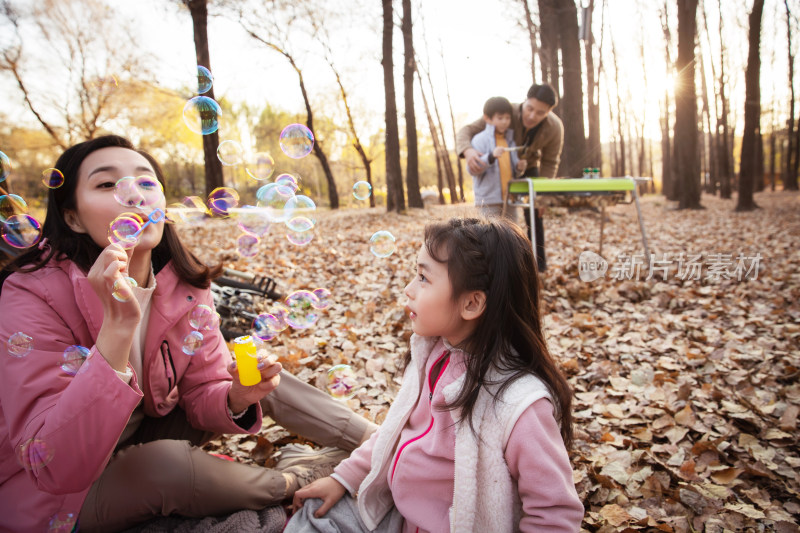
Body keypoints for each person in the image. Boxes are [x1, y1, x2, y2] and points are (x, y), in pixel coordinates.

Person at [0, 135, 377, 533]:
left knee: (253, 374)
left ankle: (383, 442)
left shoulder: (184, 285)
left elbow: (202, 389)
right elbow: (53, 464)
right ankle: (295, 480)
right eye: (107, 184)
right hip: (53, 492)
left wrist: (233, 398)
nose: (134, 196)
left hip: (140, 430)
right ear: (73, 217)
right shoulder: (31, 295)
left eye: (146, 183)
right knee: (166, 465)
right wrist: (116, 328)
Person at [286, 217, 584, 532]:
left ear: (471, 303)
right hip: (400, 517)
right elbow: (395, 432)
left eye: (423, 278)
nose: (408, 289)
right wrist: (343, 478)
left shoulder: (518, 404)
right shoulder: (434, 354)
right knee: (313, 513)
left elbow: (555, 516)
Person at [457, 84, 564, 272]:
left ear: (548, 112)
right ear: (525, 101)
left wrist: (543, 194)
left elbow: (550, 161)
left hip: (528, 166)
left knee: (534, 214)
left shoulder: (554, 127)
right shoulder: (506, 112)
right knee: (493, 221)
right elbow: (466, 130)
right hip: (497, 169)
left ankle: (538, 265)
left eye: (540, 113)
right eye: (529, 108)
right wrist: (469, 150)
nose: (532, 116)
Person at [468, 96, 528, 220]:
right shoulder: (479, 140)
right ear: (487, 118)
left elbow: (513, 169)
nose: (505, 122)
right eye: (500, 118)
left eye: (507, 118)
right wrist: (490, 157)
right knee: (489, 234)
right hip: (488, 199)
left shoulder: (510, 140)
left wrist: (519, 167)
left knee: (512, 234)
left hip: (509, 197)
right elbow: (472, 169)